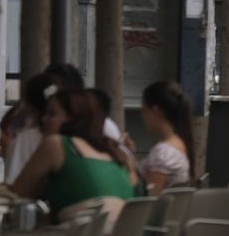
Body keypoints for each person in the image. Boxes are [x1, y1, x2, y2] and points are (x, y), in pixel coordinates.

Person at [8, 88, 136, 223]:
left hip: (75, 235)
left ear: (72, 118)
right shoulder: (115, 152)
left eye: (52, 114)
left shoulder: (57, 144)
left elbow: (17, 194)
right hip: (121, 234)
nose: (44, 119)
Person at [1, 63, 86, 184]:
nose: (45, 119)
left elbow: (14, 185)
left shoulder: (30, 140)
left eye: (52, 114)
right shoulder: (85, 137)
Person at [138, 81, 196, 194]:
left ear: (156, 111)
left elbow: (150, 197)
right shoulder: (179, 142)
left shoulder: (163, 153)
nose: (142, 115)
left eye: (144, 108)